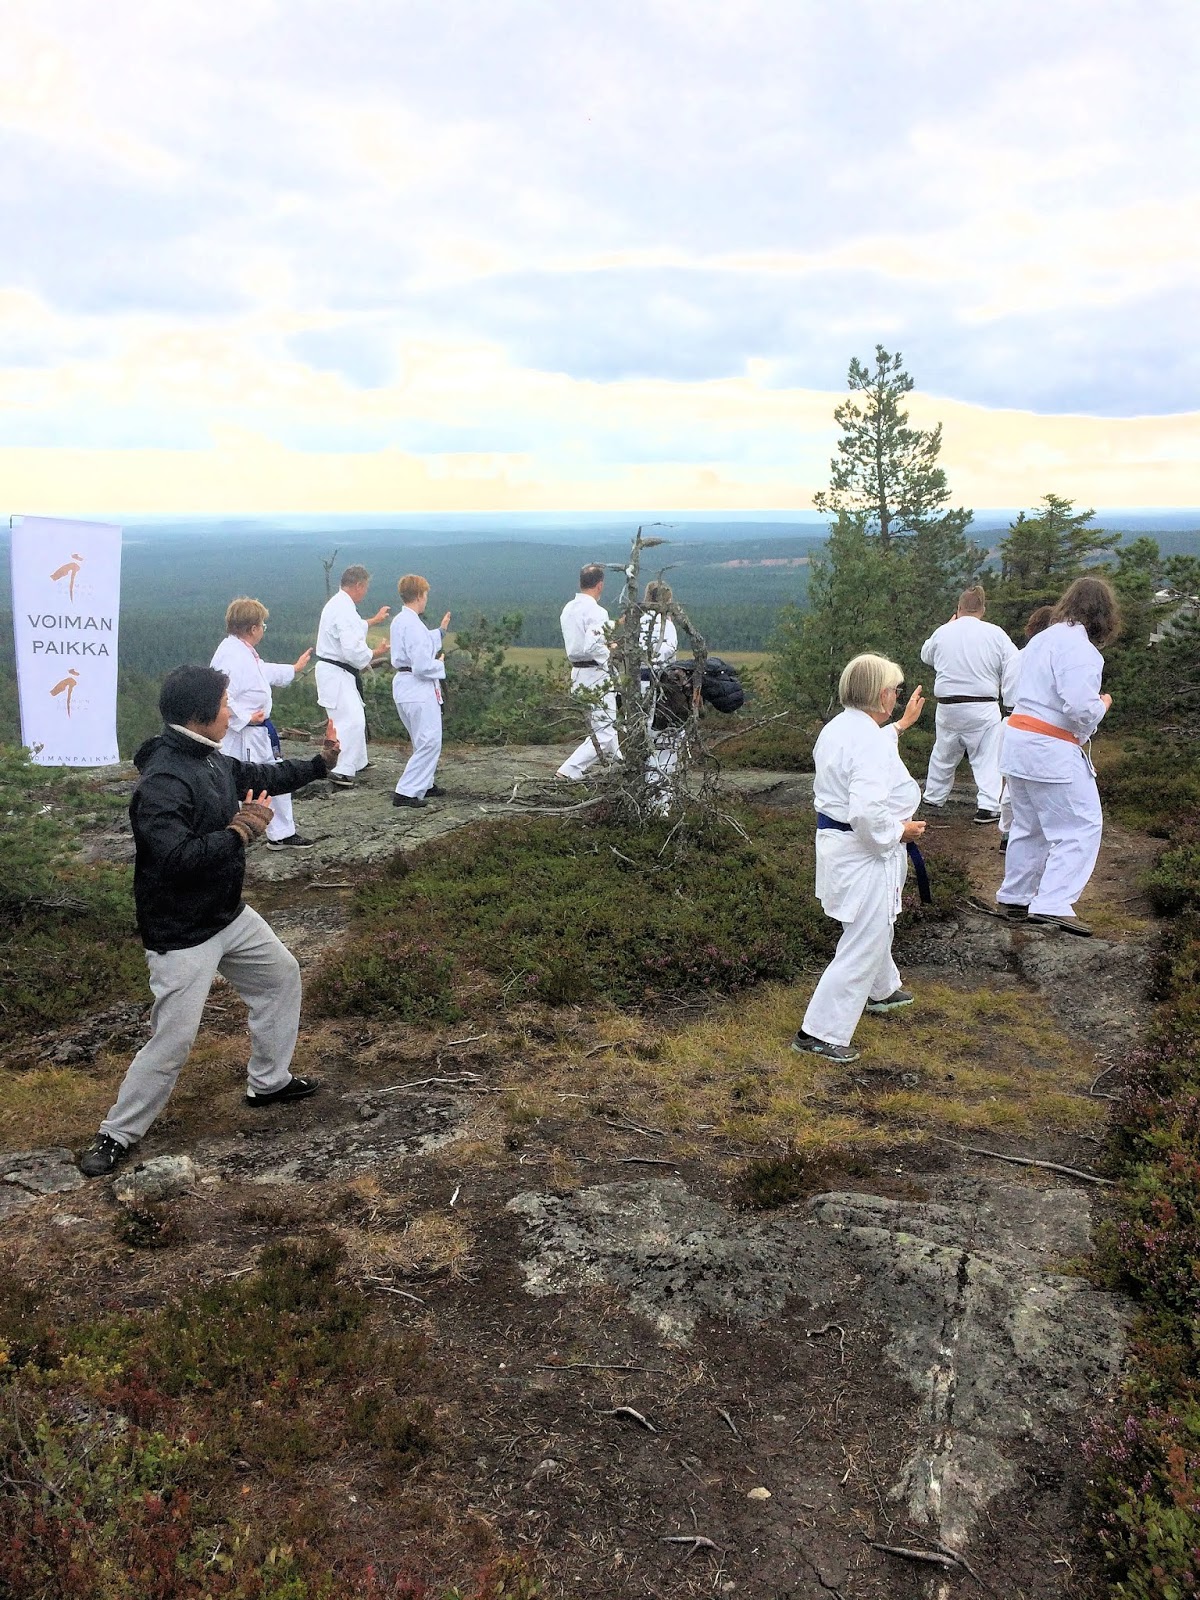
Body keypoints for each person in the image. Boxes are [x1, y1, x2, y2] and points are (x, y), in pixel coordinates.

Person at [78, 665, 341, 1178]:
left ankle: (269, 1083)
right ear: (200, 715)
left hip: (227, 915)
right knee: (173, 1040)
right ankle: (117, 1134)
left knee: (280, 977)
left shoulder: (209, 757)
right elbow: (175, 859)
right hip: (181, 934)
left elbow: (260, 777)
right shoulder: (164, 782)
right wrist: (240, 832)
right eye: (224, 704)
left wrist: (319, 764)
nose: (231, 711)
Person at [792, 655, 927, 1063]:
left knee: (874, 922)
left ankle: (881, 990)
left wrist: (900, 726)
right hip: (863, 849)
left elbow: (872, 749)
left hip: (841, 844)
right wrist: (898, 832)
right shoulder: (866, 740)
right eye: (895, 690)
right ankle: (818, 1032)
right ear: (881, 694)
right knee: (864, 938)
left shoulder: (841, 727)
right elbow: (867, 812)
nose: (898, 696)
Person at [995, 576, 1120, 936]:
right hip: (1050, 746)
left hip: (1018, 740)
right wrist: (1101, 706)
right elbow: (1079, 707)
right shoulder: (1082, 650)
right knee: (1081, 826)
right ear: (1104, 615)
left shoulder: (1042, 639)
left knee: (1028, 825)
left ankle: (1016, 896)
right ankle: (1052, 902)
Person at [211, 597, 314, 849]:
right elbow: (220, 694)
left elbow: (262, 671)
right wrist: (246, 717)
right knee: (256, 781)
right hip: (245, 734)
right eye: (262, 625)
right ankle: (246, 833)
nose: (263, 630)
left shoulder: (240, 650)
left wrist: (293, 669)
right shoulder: (232, 657)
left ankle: (281, 832)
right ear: (253, 628)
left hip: (254, 732)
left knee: (269, 777)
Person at [920, 585, 1020, 824]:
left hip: (948, 706)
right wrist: (1010, 702)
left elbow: (926, 655)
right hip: (982, 706)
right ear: (982, 609)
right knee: (987, 757)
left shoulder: (943, 632)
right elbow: (1014, 663)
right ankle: (988, 806)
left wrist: (946, 627)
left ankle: (933, 798)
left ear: (958, 608)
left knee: (943, 753)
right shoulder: (995, 634)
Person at [315, 565, 390, 788]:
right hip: (336, 672)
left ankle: (357, 761)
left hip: (338, 672)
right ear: (358, 585)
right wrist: (374, 653)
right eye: (365, 587)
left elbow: (354, 627)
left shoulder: (340, 604)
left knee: (354, 716)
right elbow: (352, 650)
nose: (365, 592)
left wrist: (374, 620)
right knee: (349, 720)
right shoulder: (343, 608)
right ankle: (341, 769)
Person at [390, 574, 451, 809]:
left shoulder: (401, 621)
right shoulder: (414, 625)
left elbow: (421, 643)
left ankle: (424, 782)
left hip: (404, 687)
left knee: (420, 738)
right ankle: (406, 791)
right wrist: (439, 664)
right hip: (418, 688)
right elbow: (422, 665)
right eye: (425, 594)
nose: (426, 599)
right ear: (419, 595)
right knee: (430, 741)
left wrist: (441, 632)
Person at [997, 605, 1055, 848]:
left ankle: (1008, 832)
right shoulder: (1049, 658)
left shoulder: (1015, 657)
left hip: (1009, 721)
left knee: (1011, 783)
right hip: (1036, 724)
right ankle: (1032, 832)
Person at [556, 562, 619, 781]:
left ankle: (621, 762)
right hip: (596, 674)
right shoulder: (596, 611)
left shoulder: (568, 608)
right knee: (605, 731)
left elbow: (583, 639)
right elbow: (592, 645)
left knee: (605, 726)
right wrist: (611, 651)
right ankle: (569, 770)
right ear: (600, 585)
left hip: (578, 673)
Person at [639, 579, 681, 808]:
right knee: (667, 739)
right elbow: (668, 651)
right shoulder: (666, 625)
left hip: (639, 684)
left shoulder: (638, 622)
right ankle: (660, 801)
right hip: (660, 685)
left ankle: (645, 792)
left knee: (646, 738)